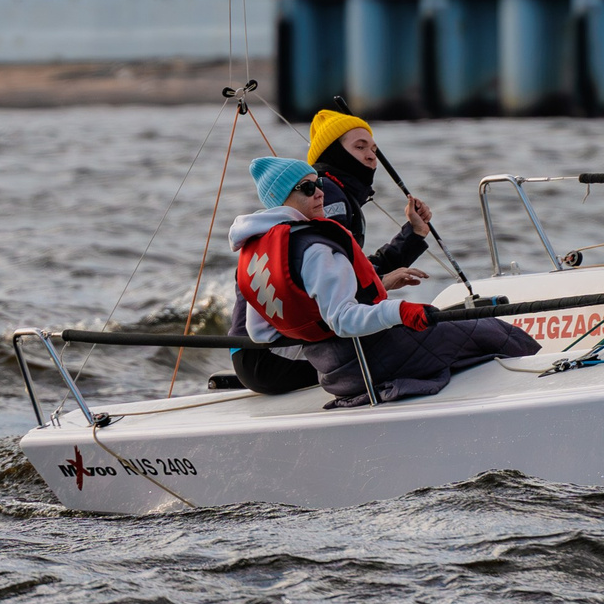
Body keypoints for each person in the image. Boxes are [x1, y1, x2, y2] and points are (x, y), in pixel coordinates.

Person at [228, 156, 536, 404]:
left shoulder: (258, 254)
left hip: (334, 374)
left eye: (318, 183)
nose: (320, 192)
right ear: (283, 201)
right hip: (372, 359)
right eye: (307, 188)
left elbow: (261, 333)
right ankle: (545, 382)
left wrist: (316, 332)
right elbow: (344, 319)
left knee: (453, 322)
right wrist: (399, 312)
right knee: (494, 329)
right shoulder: (316, 249)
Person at [304, 108, 437, 279]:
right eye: (360, 147)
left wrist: (414, 232)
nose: (372, 157)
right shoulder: (328, 193)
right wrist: (382, 282)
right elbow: (334, 279)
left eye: (374, 150)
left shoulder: (339, 192)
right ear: (334, 153)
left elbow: (358, 272)